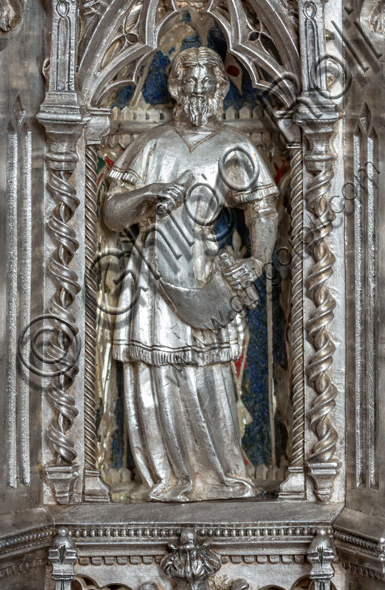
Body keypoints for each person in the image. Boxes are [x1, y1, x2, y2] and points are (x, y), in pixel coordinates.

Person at [103, 46, 278, 502]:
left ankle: (218, 473)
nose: (199, 90)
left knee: (209, 371)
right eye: (190, 82)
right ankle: (171, 478)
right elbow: (111, 212)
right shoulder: (152, 144)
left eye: (209, 82)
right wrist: (145, 197)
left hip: (202, 267)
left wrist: (256, 262)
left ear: (222, 89)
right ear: (176, 87)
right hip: (151, 272)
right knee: (155, 370)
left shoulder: (233, 146)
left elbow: (262, 205)